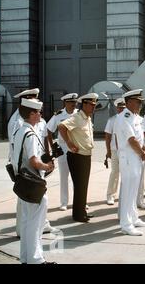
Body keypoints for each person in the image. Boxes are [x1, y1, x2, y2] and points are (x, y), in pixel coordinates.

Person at [8, 88, 58, 237]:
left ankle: (40, 226)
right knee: (27, 200)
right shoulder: (17, 121)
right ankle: (23, 230)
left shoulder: (35, 121)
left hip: (34, 167)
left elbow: (41, 140)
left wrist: (47, 159)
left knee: (33, 201)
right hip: (26, 169)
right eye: (33, 100)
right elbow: (16, 146)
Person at [114, 89, 145, 235]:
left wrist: (143, 150)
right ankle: (126, 224)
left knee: (134, 190)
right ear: (128, 102)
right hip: (128, 158)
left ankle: (134, 217)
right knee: (128, 191)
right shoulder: (123, 117)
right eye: (137, 102)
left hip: (136, 157)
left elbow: (139, 138)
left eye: (141, 102)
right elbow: (131, 140)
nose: (140, 104)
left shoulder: (135, 117)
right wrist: (142, 153)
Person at [58, 93, 98, 223]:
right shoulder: (77, 117)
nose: (94, 107)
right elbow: (61, 126)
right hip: (77, 156)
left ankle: (81, 211)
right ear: (84, 105)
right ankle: (78, 215)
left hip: (85, 155)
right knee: (80, 185)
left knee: (83, 186)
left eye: (94, 105)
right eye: (91, 105)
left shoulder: (87, 118)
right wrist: (69, 142)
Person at [46, 93, 78, 211]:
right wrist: (53, 147)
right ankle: (64, 202)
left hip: (76, 147)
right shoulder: (59, 115)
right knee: (64, 176)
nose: (74, 104)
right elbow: (48, 130)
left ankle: (79, 201)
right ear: (65, 103)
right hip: (64, 148)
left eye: (75, 102)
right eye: (71, 102)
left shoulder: (79, 114)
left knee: (77, 176)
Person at [104, 98, 126, 205]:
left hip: (128, 151)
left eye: (123, 107)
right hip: (115, 151)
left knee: (128, 174)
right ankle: (111, 195)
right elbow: (107, 136)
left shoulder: (129, 119)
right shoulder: (112, 120)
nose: (121, 109)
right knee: (115, 172)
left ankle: (125, 195)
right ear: (117, 108)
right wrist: (108, 151)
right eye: (120, 107)